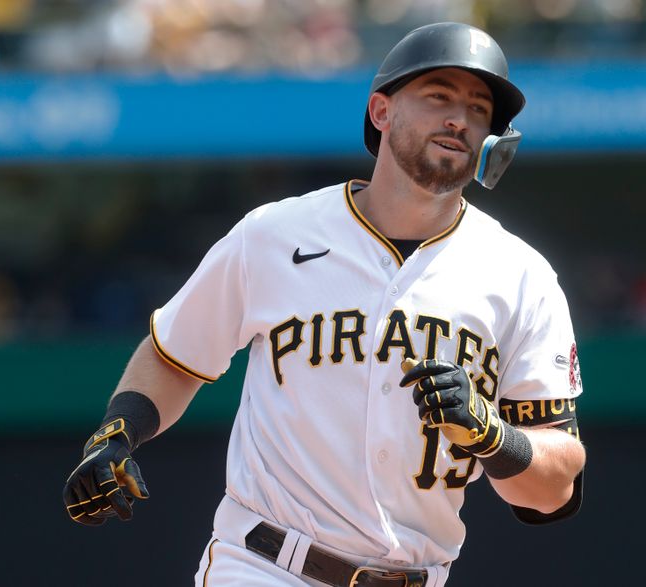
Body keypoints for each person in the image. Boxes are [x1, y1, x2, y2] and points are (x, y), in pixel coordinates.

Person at [63, 22, 586, 587]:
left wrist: (492, 435)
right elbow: (175, 354)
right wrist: (117, 432)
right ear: (381, 111)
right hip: (265, 565)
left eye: (479, 108)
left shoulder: (520, 274)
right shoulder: (274, 234)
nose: (459, 118)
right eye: (438, 97)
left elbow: (554, 491)